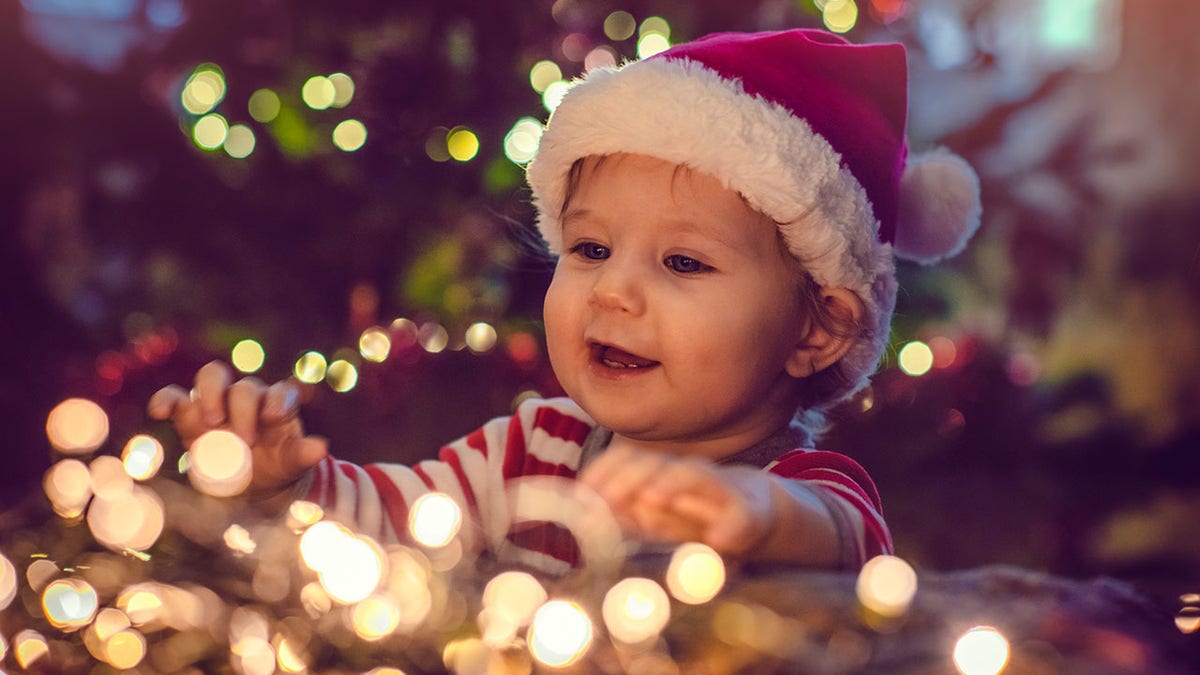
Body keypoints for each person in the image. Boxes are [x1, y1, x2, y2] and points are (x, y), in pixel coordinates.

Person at [150, 28, 980, 574]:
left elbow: (836, 536)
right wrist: (279, 486)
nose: (612, 289)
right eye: (588, 249)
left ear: (817, 328)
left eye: (684, 262)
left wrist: (757, 511)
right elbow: (391, 526)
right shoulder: (533, 449)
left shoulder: (809, 484)